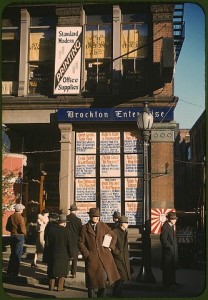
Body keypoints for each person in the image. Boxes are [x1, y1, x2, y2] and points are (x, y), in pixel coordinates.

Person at [78, 207, 120, 298]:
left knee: (102, 283)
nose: (97, 218)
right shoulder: (84, 228)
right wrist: (87, 254)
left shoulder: (103, 226)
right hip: (92, 259)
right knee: (91, 284)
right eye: (95, 216)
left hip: (104, 259)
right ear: (90, 216)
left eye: (98, 216)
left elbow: (114, 236)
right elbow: (80, 243)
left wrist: (110, 247)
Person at [45, 214, 72, 291]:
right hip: (63, 254)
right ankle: (60, 287)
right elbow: (69, 244)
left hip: (52, 253)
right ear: (64, 223)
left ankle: (51, 286)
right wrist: (71, 255)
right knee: (62, 271)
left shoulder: (51, 230)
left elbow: (47, 243)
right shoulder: (67, 231)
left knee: (51, 270)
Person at [112, 215, 131, 297]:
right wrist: (117, 252)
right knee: (120, 277)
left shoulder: (125, 232)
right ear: (121, 224)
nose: (127, 224)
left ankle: (118, 293)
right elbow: (109, 243)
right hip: (118, 258)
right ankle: (116, 294)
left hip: (124, 257)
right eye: (126, 223)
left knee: (122, 277)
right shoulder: (114, 232)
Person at [6, 203, 27, 276]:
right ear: (20, 210)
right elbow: (23, 229)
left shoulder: (10, 217)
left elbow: (7, 228)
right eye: (22, 210)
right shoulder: (20, 218)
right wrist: (25, 233)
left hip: (12, 235)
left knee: (12, 254)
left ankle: (9, 270)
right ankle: (15, 271)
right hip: (19, 236)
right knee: (17, 255)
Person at [160, 211, 179, 289]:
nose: (175, 220)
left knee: (172, 266)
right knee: (167, 267)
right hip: (168, 252)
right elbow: (163, 239)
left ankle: (172, 281)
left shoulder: (171, 226)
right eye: (174, 219)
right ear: (170, 219)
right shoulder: (165, 226)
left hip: (173, 250)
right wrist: (169, 247)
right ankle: (166, 283)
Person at [66, 203, 82, 278]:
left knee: (67, 257)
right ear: (75, 211)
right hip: (75, 240)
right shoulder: (78, 220)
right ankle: (73, 273)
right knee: (75, 258)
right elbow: (80, 231)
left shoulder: (66, 218)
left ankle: (66, 272)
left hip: (67, 239)